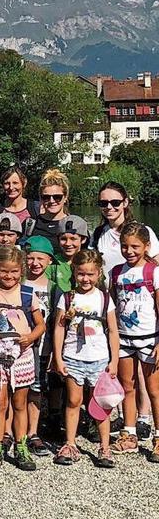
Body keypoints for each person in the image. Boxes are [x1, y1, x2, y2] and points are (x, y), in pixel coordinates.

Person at [0, 246, 46, 472]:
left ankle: (21, 445)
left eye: (14, 272)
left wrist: (30, 338)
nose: (9, 276)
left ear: (21, 270)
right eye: (4, 271)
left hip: (21, 355)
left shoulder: (27, 294)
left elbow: (40, 325)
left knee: (20, 403)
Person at [52, 250, 120, 468]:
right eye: (81, 274)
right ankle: (70, 443)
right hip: (73, 357)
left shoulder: (104, 298)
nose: (86, 279)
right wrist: (59, 359)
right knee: (73, 401)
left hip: (99, 358)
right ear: (75, 272)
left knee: (101, 403)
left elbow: (113, 331)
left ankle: (105, 447)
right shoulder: (67, 298)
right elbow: (59, 329)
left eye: (90, 274)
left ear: (98, 273)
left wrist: (114, 361)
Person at [109, 222, 159, 457]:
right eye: (125, 246)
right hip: (124, 337)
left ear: (146, 246)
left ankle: (158, 436)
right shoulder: (116, 273)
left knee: (153, 389)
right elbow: (111, 306)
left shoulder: (153, 271)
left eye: (135, 247)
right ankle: (129, 434)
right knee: (126, 386)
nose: (129, 251)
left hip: (149, 338)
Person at [23, 235, 58, 456]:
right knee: (16, 390)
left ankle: (32, 432)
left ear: (50, 261)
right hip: (19, 349)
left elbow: (57, 323)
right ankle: (9, 432)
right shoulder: (18, 282)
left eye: (40, 259)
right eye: (31, 258)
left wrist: (55, 351)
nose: (35, 263)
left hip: (43, 347)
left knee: (36, 389)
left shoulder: (55, 289)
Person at [94, 181, 159, 275]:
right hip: (110, 289)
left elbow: (156, 262)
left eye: (115, 202)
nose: (109, 207)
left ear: (125, 202)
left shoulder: (143, 231)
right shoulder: (97, 234)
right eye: (103, 203)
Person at [27, 169, 71, 248]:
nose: (51, 201)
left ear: (65, 197)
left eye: (57, 197)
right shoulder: (30, 224)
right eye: (46, 197)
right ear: (40, 198)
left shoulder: (75, 223)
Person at [48, 215, 90, 293]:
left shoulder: (90, 261)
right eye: (63, 239)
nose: (68, 243)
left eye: (73, 239)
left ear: (83, 239)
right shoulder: (52, 263)